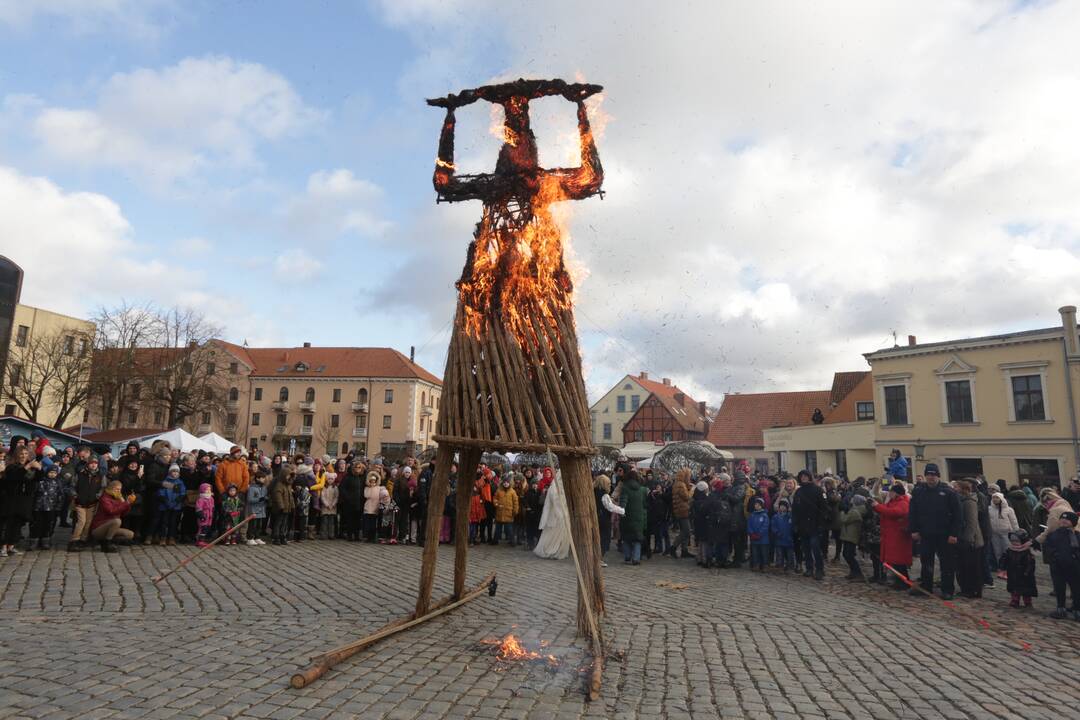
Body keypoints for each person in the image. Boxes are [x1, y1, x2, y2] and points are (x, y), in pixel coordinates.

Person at [908, 463, 961, 600]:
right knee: (926, 562)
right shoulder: (919, 491)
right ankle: (926, 587)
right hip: (926, 533)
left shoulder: (949, 492)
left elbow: (958, 515)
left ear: (938, 476)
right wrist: (914, 530)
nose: (931, 477)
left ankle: (947, 589)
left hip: (945, 534)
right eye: (929, 474)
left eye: (934, 475)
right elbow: (913, 512)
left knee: (947, 564)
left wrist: (954, 534)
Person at [1, 446, 40, 555]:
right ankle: (3, 546)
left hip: (24, 500)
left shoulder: (30, 468)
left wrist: (39, 469)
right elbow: (16, 477)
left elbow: (38, 478)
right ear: (16, 455)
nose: (23, 456)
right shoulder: (11, 467)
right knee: (7, 523)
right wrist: (27, 467)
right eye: (21, 454)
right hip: (11, 499)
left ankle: (11, 545)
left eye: (26, 454)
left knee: (18, 523)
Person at [1041, 510, 1080, 620]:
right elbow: (1048, 547)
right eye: (1062, 518)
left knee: (1076, 588)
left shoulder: (1076, 535)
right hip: (1057, 566)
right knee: (1059, 587)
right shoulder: (1054, 534)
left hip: (1074, 566)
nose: (1064, 521)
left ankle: (1077, 608)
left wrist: (1076, 558)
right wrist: (1054, 557)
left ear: (1073, 522)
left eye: (1067, 519)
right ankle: (1060, 608)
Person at [871, 483, 911, 589]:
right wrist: (875, 506)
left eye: (891, 492)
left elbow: (894, 512)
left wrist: (877, 506)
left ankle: (903, 582)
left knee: (899, 561)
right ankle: (899, 581)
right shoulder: (893, 502)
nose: (889, 494)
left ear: (896, 493)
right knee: (894, 561)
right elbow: (885, 509)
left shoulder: (903, 502)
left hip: (898, 536)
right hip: (891, 534)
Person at [791, 469, 828, 580]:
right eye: (802, 476)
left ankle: (819, 569)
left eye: (805, 476)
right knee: (806, 549)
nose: (804, 478)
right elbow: (795, 509)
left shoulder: (818, 490)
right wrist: (795, 524)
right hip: (802, 525)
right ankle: (809, 568)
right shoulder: (798, 491)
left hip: (815, 525)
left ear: (809, 477)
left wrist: (821, 524)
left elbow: (824, 508)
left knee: (816, 549)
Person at [955, 480, 985, 598]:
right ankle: (967, 588)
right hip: (964, 539)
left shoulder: (969, 502)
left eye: (956, 487)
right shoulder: (961, 500)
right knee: (965, 566)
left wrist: (968, 539)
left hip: (971, 540)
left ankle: (973, 590)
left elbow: (971, 522)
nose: (954, 489)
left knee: (972, 567)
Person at [534, 471, 571, 560]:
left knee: (562, 533)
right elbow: (553, 500)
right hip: (555, 515)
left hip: (565, 513)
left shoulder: (566, 487)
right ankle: (550, 549)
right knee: (552, 533)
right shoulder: (553, 487)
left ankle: (560, 550)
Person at [88, 480, 134, 552]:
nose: (118, 491)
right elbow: (111, 511)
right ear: (111, 488)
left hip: (111, 527)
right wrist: (125, 503)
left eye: (120, 489)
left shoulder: (118, 497)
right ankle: (107, 544)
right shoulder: (105, 498)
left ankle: (107, 541)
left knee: (130, 534)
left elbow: (123, 514)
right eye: (117, 489)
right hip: (98, 528)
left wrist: (127, 503)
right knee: (117, 521)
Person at [1000, 529, 1037, 609]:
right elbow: (1005, 559)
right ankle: (1015, 600)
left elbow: (1030, 563)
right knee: (1014, 588)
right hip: (1013, 572)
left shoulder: (1027, 551)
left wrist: (1027, 572)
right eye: (1012, 541)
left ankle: (1027, 602)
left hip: (1024, 574)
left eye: (1017, 541)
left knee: (1026, 590)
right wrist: (1002, 566)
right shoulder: (1009, 550)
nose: (1014, 543)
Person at [31, 464, 65, 550]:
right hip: (39, 507)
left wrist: (58, 508)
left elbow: (61, 496)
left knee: (48, 525)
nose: (52, 474)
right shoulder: (41, 481)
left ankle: (45, 541)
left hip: (51, 508)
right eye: (50, 472)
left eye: (54, 473)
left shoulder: (58, 483)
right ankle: (34, 541)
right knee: (37, 524)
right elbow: (34, 494)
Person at [618, 470, 646, 566]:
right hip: (639, 516)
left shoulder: (625, 488)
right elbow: (644, 503)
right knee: (637, 538)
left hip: (628, 516)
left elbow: (623, 501)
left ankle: (627, 556)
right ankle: (636, 558)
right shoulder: (641, 489)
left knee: (626, 537)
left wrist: (622, 511)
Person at [156, 463, 186, 546]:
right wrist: (166, 502)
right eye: (173, 471)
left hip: (175, 506)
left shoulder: (180, 482)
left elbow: (182, 493)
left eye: (177, 472)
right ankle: (163, 538)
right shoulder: (165, 482)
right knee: (164, 522)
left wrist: (175, 502)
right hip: (165, 506)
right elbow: (161, 493)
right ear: (170, 472)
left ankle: (171, 537)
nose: (175, 473)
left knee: (173, 523)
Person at [987, 492, 1019, 569]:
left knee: (1007, 550)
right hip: (994, 534)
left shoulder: (1009, 509)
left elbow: (1014, 521)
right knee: (997, 551)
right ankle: (1001, 566)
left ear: (1001, 499)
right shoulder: (989, 509)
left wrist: (1016, 533)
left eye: (997, 497)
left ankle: (1010, 566)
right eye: (993, 498)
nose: (995, 499)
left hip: (1006, 533)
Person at [839, 495, 866, 580]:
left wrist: (842, 512)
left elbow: (844, 519)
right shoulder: (855, 510)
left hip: (851, 536)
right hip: (849, 535)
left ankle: (858, 573)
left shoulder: (855, 511)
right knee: (846, 554)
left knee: (849, 555)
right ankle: (853, 572)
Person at [668, 468, 693, 559]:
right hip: (683, 511)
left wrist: (688, 487)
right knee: (686, 531)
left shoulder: (678, 484)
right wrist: (692, 490)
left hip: (680, 510)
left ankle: (684, 550)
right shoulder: (680, 484)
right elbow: (686, 497)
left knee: (685, 531)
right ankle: (673, 548)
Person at [269, 466, 296, 545]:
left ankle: (282, 536)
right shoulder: (279, 485)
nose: (289, 477)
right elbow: (278, 497)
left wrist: (293, 506)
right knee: (278, 523)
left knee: (284, 523)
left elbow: (290, 497)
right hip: (280, 508)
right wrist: (281, 506)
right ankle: (276, 537)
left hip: (287, 508)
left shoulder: (288, 485)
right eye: (288, 475)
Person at [363, 472, 389, 543]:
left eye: (374, 481)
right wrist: (370, 487)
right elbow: (367, 495)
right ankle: (367, 536)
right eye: (371, 481)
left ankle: (373, 537)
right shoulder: (367, 488)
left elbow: (383, 496)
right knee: (367, 523)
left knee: (373, 524)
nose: (373, 482)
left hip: (375, 507)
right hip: (368, 507)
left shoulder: (379, 488)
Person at [493, 478, 519, 545]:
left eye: (507, 482)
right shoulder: (499, 491)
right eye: (504, 482)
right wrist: (496, 504)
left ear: (509, 483)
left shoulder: (512, 492)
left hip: (509, 513)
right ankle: (495, 540)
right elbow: (495, 498)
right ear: (502, 483)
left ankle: (512, 541)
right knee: (498, 529)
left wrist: (515, 511)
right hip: (500, 512)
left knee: (509, 529)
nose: (505, 484)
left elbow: (515, 502)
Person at [771, 498, 795, 572]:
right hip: (779, 538)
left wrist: (792, 535)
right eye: (781, 506)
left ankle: (790, 565)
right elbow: (773, 526)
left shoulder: (790, 517)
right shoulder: (775, 517)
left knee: (789, 554)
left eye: (784, 506)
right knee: (779, 553)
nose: (782, 507)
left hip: (788, 539)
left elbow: (792, 527)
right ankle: (779, 565)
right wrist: (777, 532)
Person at [747, 497, 770, 572]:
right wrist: (752, 533)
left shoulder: (764, 515)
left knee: (764, 553)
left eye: (758, 504)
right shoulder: (752, 515)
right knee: (755, 553)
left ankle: (765, 565)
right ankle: (755, 564)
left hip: (763, 539)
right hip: (754, 538)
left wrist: (759, 534)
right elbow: (749, 525)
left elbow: (765, 526)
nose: (756, 506)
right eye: (755, 504)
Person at [692, 481, 712, 566]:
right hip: (704, 522)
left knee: (700, 541)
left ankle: (699, 557)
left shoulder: (695, 498)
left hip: (697, 522)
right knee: (704, 541)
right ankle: (704, 559)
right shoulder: (705, 499)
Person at [246, 468, 269, 545]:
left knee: (259, 524)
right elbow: (250, 499)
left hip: (261, 509)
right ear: (257, 478)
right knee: (253, 524)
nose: (264, 480)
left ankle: (257, 537)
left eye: (264, 478)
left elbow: (265, 496)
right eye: (262, 478)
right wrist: (260, 499)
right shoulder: (252, 488)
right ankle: (250, 538)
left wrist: (266, 499)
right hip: (253, 509)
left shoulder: (264, 487)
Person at [523, 474, 542, 550]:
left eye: (536, 484)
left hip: (537, 514)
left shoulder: (539, 492)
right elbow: (525, 501)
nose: (535, 486)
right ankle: (530, 543)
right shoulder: (528, 492)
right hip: (530, 514)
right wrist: (527, 507)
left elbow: (541, 502)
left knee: (537, 529)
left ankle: (537, 543)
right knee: (529, 530)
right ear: (531, 485)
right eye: (533, 484)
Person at [195, 483, 215, 548]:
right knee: (203, 528)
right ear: (203, 490)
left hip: (209, 516)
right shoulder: (201, 499)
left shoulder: (211, 498)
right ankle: (199, 540)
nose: (209, 491)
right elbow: (198, 508)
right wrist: (201, 515)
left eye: (209, 489)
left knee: (207, 528)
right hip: (204, 515)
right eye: (207, 490)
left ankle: (202, 540)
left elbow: (212, 506)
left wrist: (213, 512)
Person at [320, 473, 339, 541]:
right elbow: (322, 496)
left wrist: (333, 504)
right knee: (324, 522)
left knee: (331, 522)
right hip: (325, 507)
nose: (330, 480)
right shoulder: (324, 487)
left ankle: (331, 534)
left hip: (332, 507)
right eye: (329, 479)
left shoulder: (335, 487)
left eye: (332, 479)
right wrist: (326, 504)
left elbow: (336, 497)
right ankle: (323, 535)